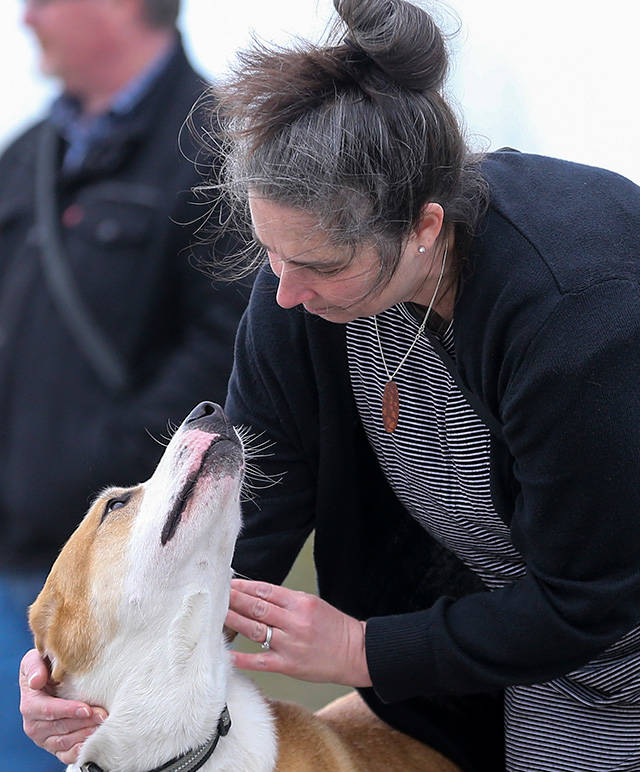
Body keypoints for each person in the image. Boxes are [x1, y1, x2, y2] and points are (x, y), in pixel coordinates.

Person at [20, 0, 640, 770]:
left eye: (318, 265)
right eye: (270, 251)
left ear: (423, 226)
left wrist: (360, 648)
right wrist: (79, 667)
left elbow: (592, 601)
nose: (283, 293)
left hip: (612, 654)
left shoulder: (579, 311)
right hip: (453, 664)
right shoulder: (300, 281)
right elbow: (247, 513)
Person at [3, 0, 249, 768]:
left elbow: (231, 342)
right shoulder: (25, 157)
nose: (25, 19)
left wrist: (99, 467)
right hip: (8, 561)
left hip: (115, 593)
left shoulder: (222, 149)